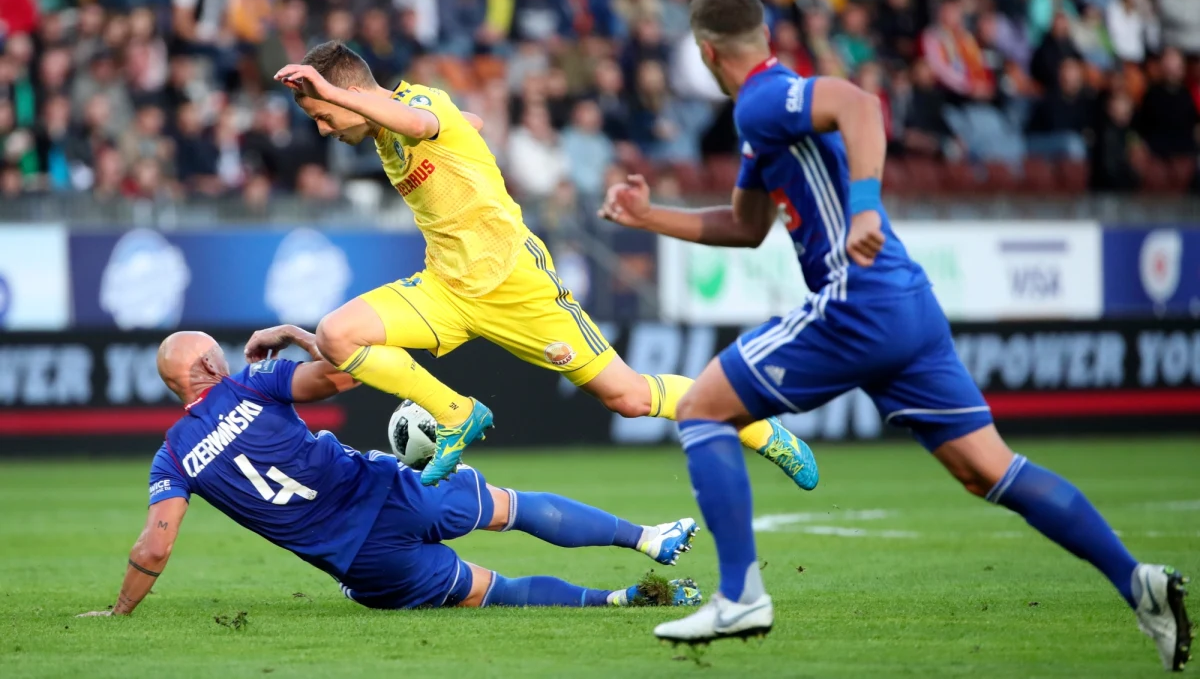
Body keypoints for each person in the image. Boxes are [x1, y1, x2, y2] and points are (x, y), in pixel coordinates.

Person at [599, 0, 1193, 671]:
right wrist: (650, 217)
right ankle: (1137, 581)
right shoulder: (765, 114)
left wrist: (867, 209)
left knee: (701, 407)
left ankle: (739, 594)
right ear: (761, 34)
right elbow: (746, 224)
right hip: (907, 305)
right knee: (987, 469)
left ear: (705, 52)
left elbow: (859, 103)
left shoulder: (764, 99)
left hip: (858, 301)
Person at [271, 42, 818, 490]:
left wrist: (346, 95)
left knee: (626, 396)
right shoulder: (399, 123)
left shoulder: (418, 105)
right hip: (445, 288)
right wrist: (465, 126)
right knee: (338, 334)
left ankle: (756, 428)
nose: (322, 128)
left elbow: (421, 123)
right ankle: (458, 414)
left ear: (353, 93)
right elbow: (457, 123)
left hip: (514, 280)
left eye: (322, 114)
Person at [76, 327, 704, 618]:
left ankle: (621, 600)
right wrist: (294, 333)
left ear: (172, 388)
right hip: (394, 491)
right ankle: (649, 540)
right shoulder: (255, 382)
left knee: (497, 591)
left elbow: (155, 546)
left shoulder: (174, 455)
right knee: (512, 507)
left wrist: (121, 612)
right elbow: (346, 371)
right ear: (215, 364)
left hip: (364, 561)